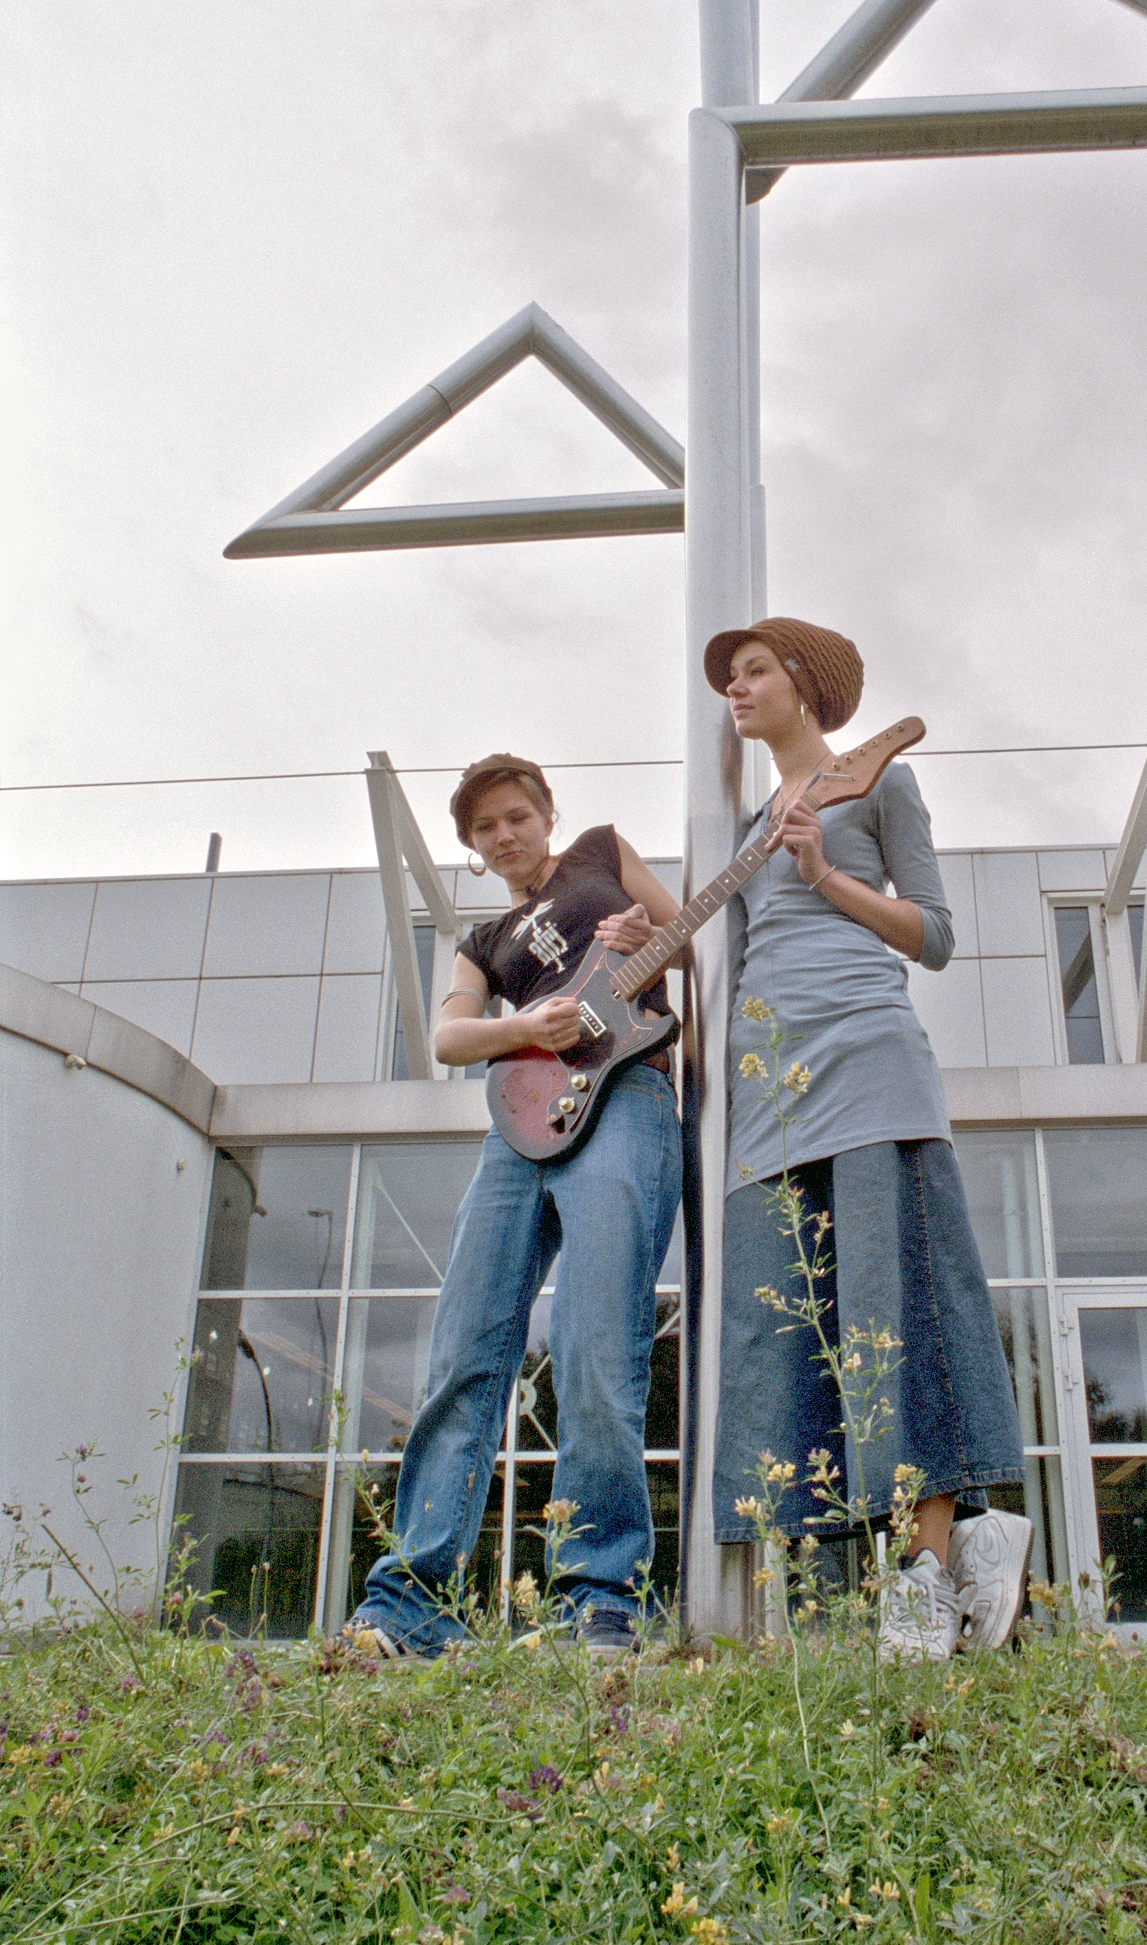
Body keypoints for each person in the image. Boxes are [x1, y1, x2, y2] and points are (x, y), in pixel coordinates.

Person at [706, 618, 1033, 1658]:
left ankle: (929, 1569)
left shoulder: (876, 783)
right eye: (727, 678)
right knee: (784, 1329)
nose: (736, 689)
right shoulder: (743, 821)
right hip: (772, 1092)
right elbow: (737, 950)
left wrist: (828, 877)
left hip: (868, 1058)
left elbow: (934, 934)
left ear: (804, 685)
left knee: (897, 1308)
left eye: (753, 670)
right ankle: (876, 1569)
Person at [343, 753, 683, 1662]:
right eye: (485, 828)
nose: (505, 835)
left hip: (627, 1100)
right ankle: (408, 1605)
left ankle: (600, 1602)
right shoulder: (482, 938)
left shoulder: (603, 855)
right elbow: (451, 1034)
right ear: (472, 846)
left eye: (517, 816)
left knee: (594, 1343)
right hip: (518, 1123)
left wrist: (649, 926)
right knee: (463, 1349)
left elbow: (688, 938)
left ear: (546, 814)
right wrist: (523, 1028)